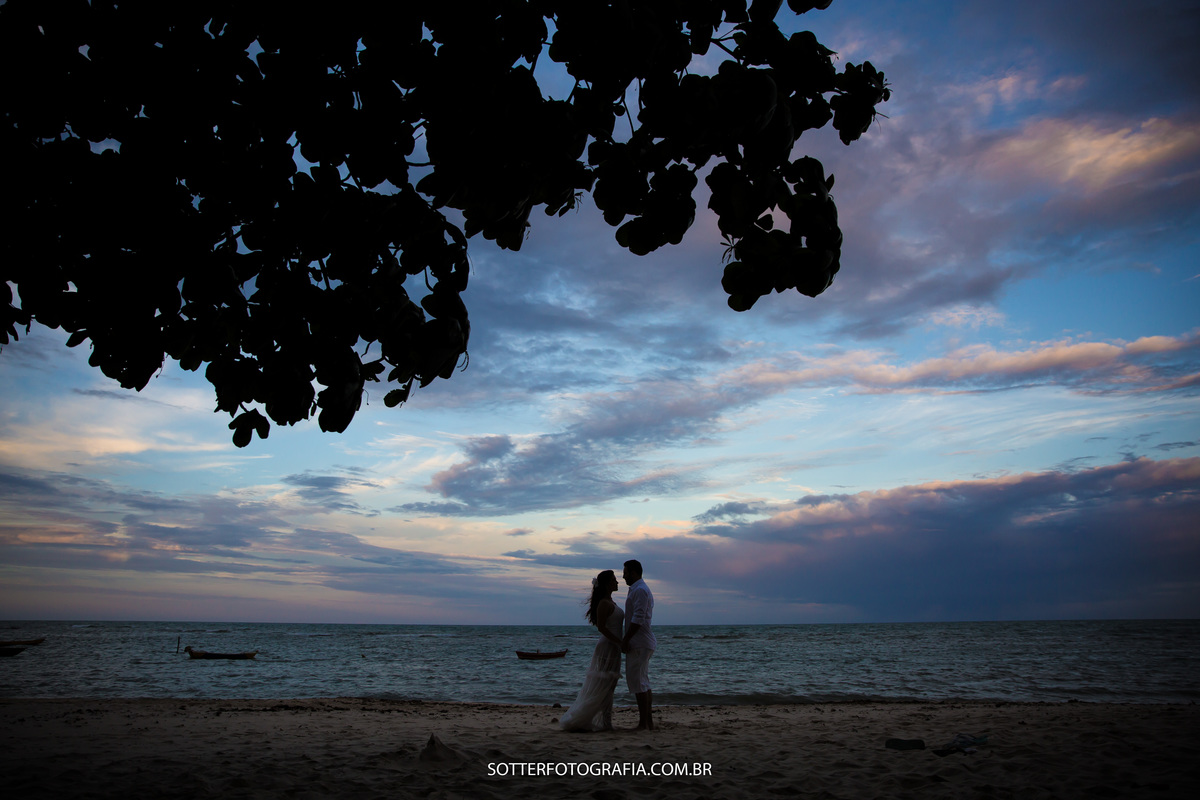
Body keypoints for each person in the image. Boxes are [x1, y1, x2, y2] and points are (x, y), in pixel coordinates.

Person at [559, 570, 623, 732]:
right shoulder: (604, 603)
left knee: (610, 685)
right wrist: (618, 642)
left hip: (614, 646)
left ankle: (606, 722)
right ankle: (604, 723)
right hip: (608, 646)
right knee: (605, 684)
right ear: (607, 584)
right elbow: (602, 627)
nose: (617, 582)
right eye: (614, 580)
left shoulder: (610, 602)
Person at [620, 559, 657, 731]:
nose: (623, 576)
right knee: (643, 682)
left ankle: (644, 723)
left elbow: (638, 618)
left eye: (625, 573)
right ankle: (648, 722)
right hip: (641, 641)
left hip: (639, 642)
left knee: (639, 683)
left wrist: (626, 639)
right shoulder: (637, 589)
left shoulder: (640, 590)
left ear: (634, 573)